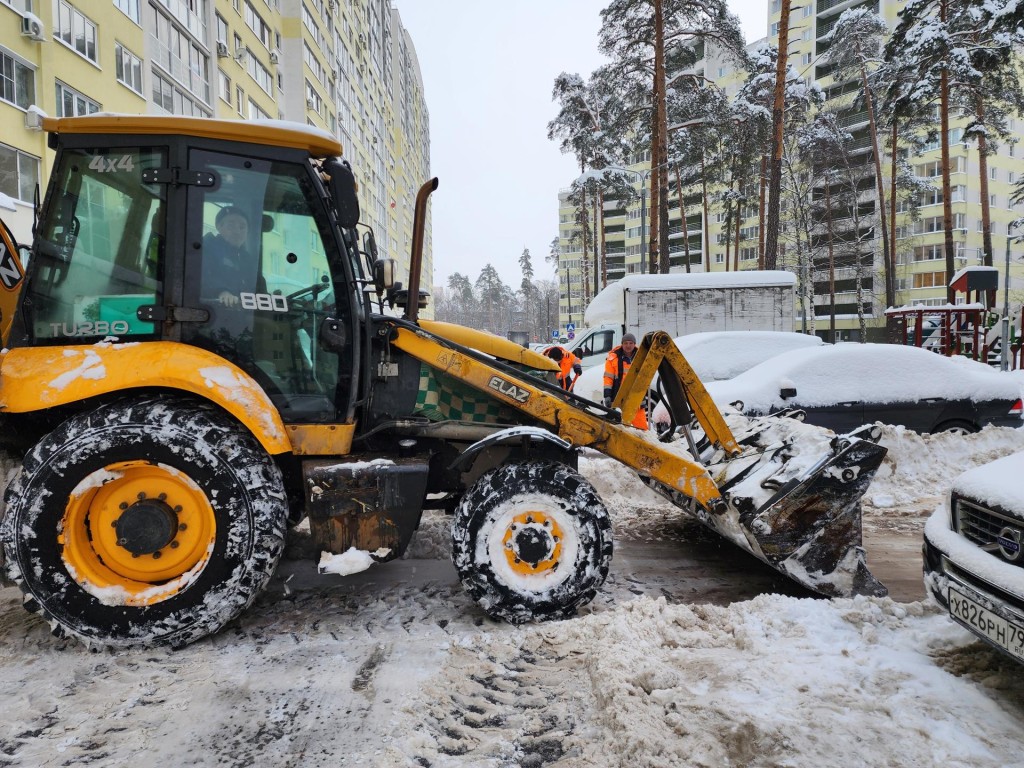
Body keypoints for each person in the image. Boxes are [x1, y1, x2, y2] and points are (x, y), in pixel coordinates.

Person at [202, 206, 260, 306]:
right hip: (211, 313)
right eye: (231, 226)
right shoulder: (205, 248)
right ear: (219, 227)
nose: (237, 231)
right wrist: (222, 292)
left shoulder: (247, 259)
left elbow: (256, 287)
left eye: (242, 227)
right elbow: (201, 276)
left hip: (244, 314)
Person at [602, 332, 649, 430]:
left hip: (636, 396)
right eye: (626, 343)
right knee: (619, 427)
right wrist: (607, 395)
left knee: (641, 429)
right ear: (622, 344)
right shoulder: (613, 358)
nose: (628, 345)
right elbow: (608, 378)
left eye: (631, 343)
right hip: (618, 397)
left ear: (634, 344)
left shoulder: (642, 356)